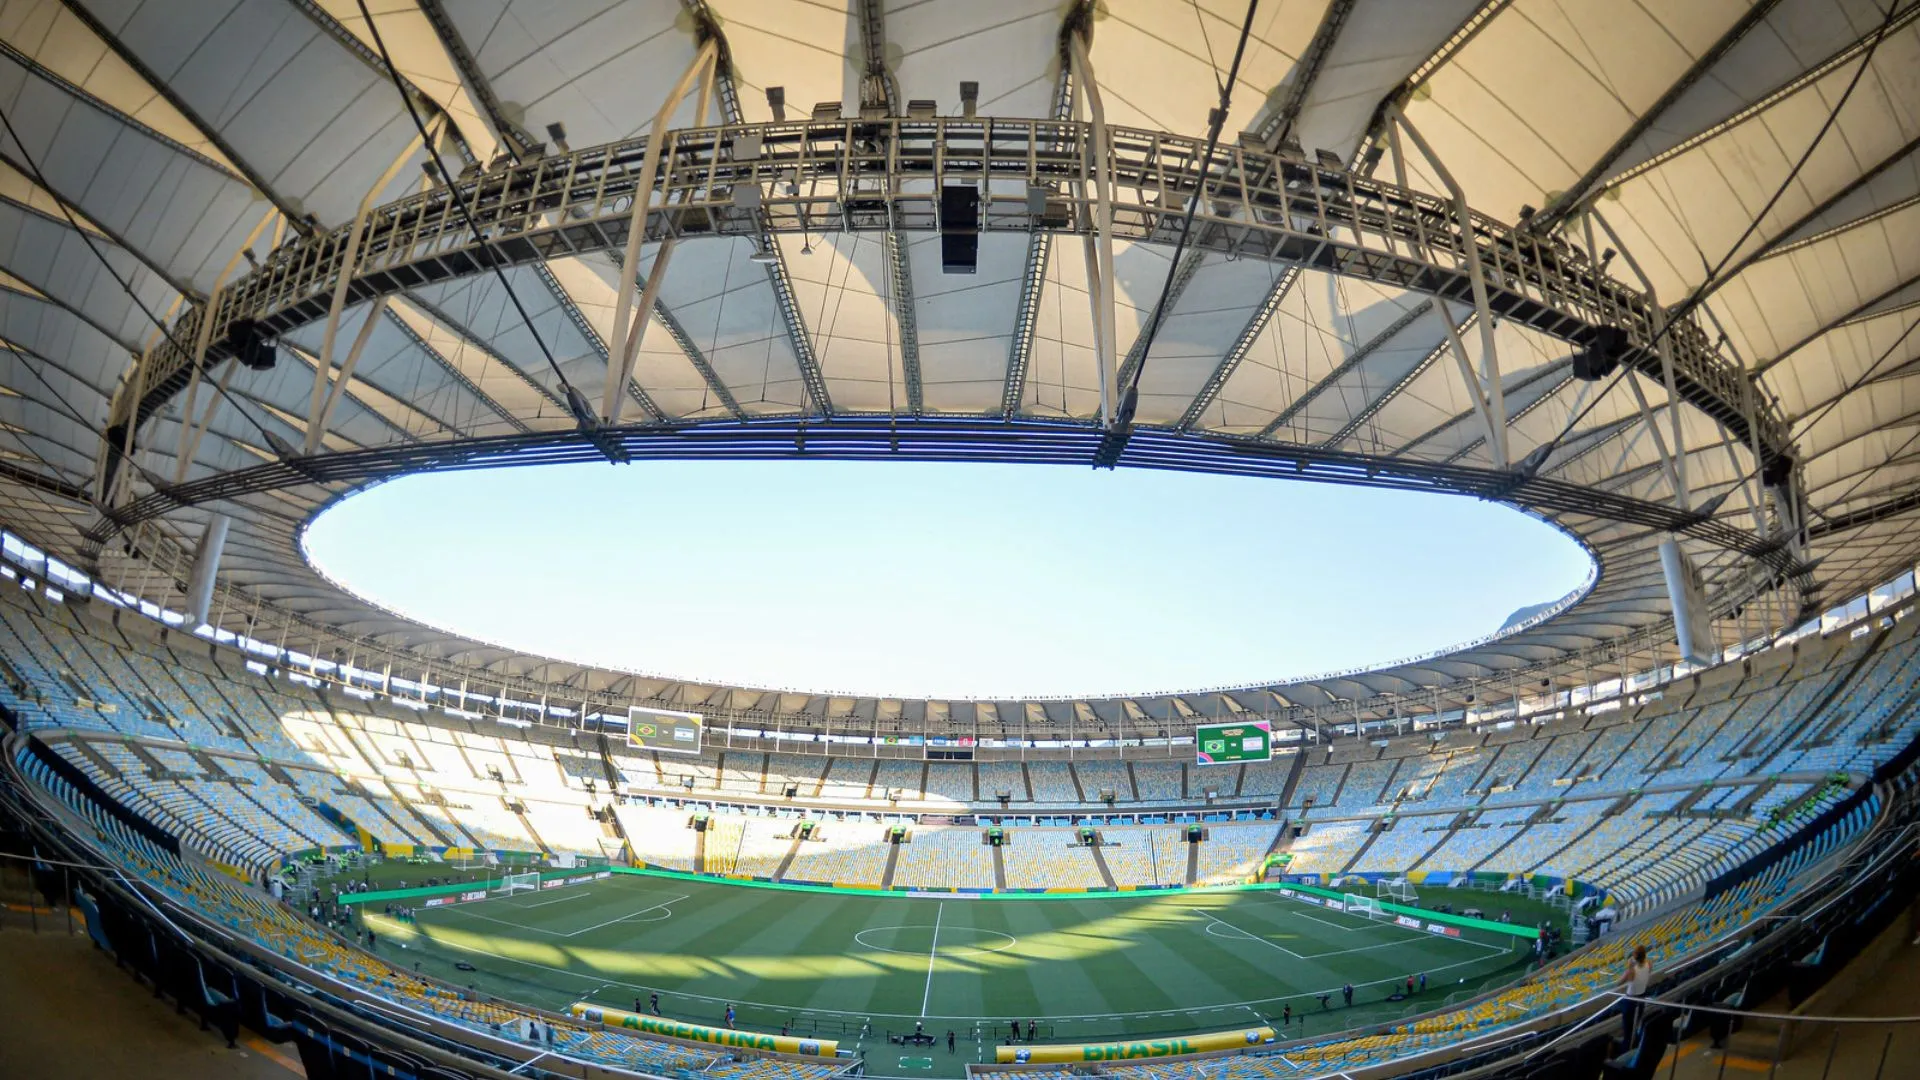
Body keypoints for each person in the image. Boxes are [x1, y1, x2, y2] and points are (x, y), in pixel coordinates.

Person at [1618, 944, 1652, 1043]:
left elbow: (1620, 982)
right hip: (1642, 998)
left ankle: (1628, 1043)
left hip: (1631, 1000)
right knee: (1636, 1022)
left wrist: (1629, 967)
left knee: (1628, 1026)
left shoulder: (1632, 970)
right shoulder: (1649, 964)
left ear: (1635, 955)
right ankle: (1633, 1040)